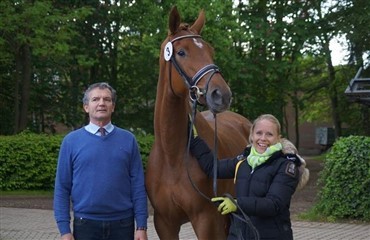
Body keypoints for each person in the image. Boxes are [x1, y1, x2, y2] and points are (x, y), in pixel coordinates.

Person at [54, 82, 148, 240]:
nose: (101, 103)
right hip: (85, 225)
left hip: (123, 225)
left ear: (113, 106)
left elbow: (138, 185)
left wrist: (141, 226)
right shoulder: (71, 141)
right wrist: (64, 230)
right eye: (95, 99)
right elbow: (62, 188)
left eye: (107, 99)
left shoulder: (128, 140)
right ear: (86, 107)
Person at [190, 114, 306, 240]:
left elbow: (274, 204)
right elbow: (213, 168)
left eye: (269, 134)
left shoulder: (286, 166)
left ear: (278, 138)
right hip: (239, 235)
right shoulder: (244, 161)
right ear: (251, 136)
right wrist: (195, 140)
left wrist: (237, 204)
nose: (263, 138)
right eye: (259, 133)